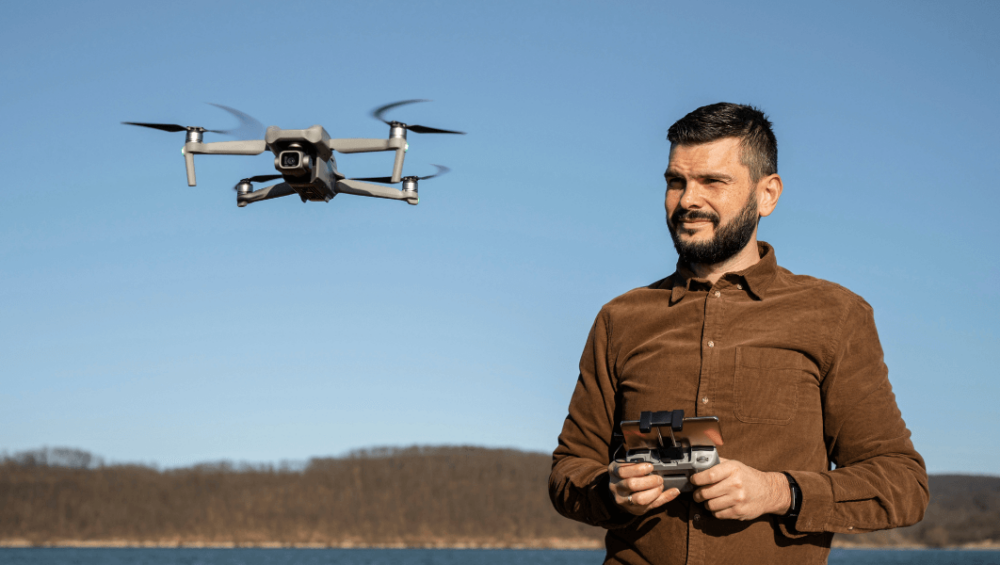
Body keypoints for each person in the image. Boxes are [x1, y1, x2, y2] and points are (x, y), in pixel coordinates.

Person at [548, 103, 928, 565]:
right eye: (676, 181)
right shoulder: (619, 318)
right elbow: (568, 471)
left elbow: (903, 486)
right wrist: (611, 491)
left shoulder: (836, 315)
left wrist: (779, 491)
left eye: (712, 181)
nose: (688, 200)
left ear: (767, 194)